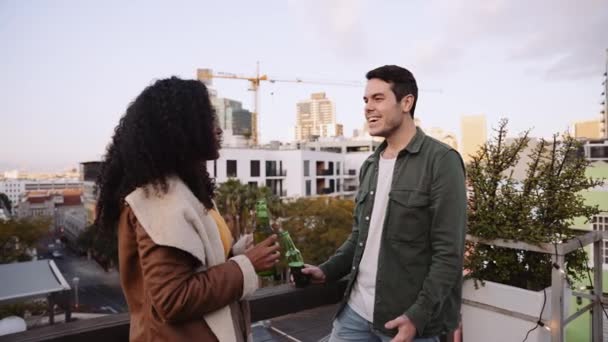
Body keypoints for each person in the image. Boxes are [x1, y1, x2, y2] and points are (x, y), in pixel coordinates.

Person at [95, 77, 280, 342]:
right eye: (207, 120)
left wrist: (239, 254)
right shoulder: (159, 202)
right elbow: (173, 298)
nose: (218, 130)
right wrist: (246, 265)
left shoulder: (185, 193)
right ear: (178, 131)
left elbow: (197, 267)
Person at [302, 65, 467, 342]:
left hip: (408, 322)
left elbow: (448, 253)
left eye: (378, 98)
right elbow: (360, 237)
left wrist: (417, 315)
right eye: (366, 100)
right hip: (354, 313)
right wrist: (326, 270)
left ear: (406, 102)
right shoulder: (370, 165)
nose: (368, 107)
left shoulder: (442, 161)